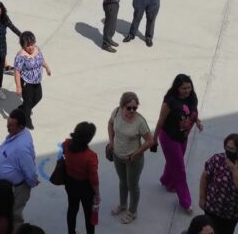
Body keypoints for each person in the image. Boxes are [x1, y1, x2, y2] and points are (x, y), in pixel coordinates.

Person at [153, 74, 204, 213]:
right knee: (180, 169)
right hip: (169, 138)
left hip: (183, 137)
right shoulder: (170, 101)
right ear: (177, 88)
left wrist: (197, 122)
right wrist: (154, 139)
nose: (187, 90)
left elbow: (192, 112)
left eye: (189, 87)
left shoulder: (192, 98)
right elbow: (160, 121)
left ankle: (166, 181)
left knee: (174, 162)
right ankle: (185, 201)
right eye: (183, 88)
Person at [106, 91, 153, 224]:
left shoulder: (139, 121)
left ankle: (132, 211)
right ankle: (122, 205)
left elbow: (150, 141)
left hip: (133, 160)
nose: (132, 110)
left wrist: (137, 152)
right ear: (122, 106)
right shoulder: (116, 112)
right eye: (129, 107)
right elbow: (110, 124)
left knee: (132, 185)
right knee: (122, 182)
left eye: (135, 108)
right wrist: (111, 141)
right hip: (117, 156)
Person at [0, 109, 38, 231]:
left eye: (11, 125)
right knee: (6, 213)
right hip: (6, 188)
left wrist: (32, 181)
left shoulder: (22, 148)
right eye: (8, 123)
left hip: (17, 189)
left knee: (13, 215)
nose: (7, 127)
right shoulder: (19, 133)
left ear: (20, 127)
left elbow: (30, 171)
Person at [199, 134, 238, 234]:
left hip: (231, 213)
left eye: (232, 149)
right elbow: (204, 177)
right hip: (212, 207)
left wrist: (234, 171)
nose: (228, 151)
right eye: (227, 147)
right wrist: (202, 198)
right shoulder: (217, 159)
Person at [61, 121, 100, 234]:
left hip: (70, 183)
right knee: (89, 214)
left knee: (72, 209)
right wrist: (97, 193)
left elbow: (64, 151)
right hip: (85, 188)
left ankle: (71, 232)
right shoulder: (90, 156)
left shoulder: (66, 144)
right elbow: (94, 179)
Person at [14, 31, 50, 129]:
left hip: (37, 81)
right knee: (28, 102)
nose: (31, 47)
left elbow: (41, 60)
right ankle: (26, 120)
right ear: (23, 45)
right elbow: (17, 71)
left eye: (32, 44)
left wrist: (47, 67)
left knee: (38, 97)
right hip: (26, 82)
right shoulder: (21, 56)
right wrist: (18, 87)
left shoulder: (37, 49)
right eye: (28, 45)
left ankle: (24, 108)